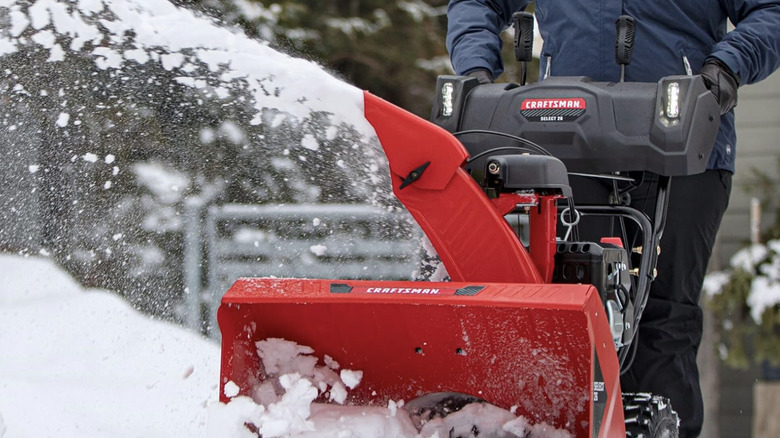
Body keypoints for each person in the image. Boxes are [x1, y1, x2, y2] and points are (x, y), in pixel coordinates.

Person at [446, 1, 780, 437]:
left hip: (683, 143)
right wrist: (475, 69)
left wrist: (724, 69)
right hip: (571, 143)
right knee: (581, 318)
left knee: (664, 319)